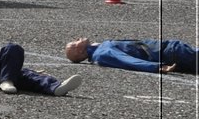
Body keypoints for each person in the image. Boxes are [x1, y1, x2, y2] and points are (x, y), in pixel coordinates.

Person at [65, 37, 196, 74]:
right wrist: (156, 67)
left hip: (171, 54)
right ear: (79, 51)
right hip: (170, 52)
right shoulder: (102, 52)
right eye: (75, 42)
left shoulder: (98, 50)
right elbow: (126, 61)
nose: (78, 38)